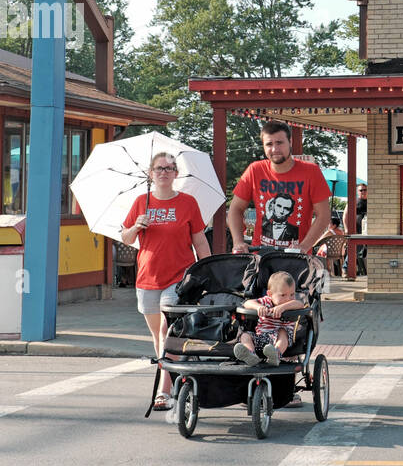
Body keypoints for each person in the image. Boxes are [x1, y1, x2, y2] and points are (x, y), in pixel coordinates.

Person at [121, 151, 210, 410]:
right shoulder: (141, 202)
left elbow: (200, 241)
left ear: (176, 174)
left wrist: (210, 272)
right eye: (159, 168)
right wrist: (136, 226)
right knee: (157, 336)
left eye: (170, 168)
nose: (164, 172)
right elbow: (126, 238)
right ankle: (173, 372)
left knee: (166, 329)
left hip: (178, 277)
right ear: (151, 174)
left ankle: (164, 388)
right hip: (147, 278)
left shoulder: (187, 203)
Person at [227, 120, 332, 256]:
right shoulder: (255, 170)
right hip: (260, 256)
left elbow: (323, 215)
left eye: (279, 143)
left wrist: (304, 246)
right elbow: (235, 209)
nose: (275, 149)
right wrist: (238, 241)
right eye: (269, 144)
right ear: (263, 146)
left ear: (290, 142)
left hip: (296, 257)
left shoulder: (311, 171)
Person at [233, 271, 305, 365]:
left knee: (283, 331)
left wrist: (282, 307)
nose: (289, 299)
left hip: (280, 341)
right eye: (283, 295)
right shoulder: (266, 302)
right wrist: (258, 307)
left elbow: (300, 304)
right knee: (245, 335)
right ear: (270, 294)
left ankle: (276, 354)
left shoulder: (291, 304)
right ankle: (251, 354)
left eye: (292, 294)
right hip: (262, 338)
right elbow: (247, 303)